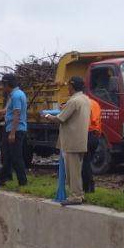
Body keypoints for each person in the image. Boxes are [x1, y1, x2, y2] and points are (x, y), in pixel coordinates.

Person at [41, 76, 89, 205]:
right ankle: (80, 194)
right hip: (80, 139)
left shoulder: (73, 101)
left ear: (72, 86)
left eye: (69, 86)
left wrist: (46, 115)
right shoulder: (85, 99)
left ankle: (75, 196)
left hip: (71, 141)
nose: (67, 88)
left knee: (72, 172)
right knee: (76, 171)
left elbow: (59, 119)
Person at [0, 74, 28, 188]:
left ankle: (22, 182)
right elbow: (7, 111)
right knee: (7, 155)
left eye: (4, 85)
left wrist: (12, 133)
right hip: (11, 129)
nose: (3, 88)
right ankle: (3, 178)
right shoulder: (14, 95)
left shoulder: (16, 96)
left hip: (15, 130)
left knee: (16, 157)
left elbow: (16, 114)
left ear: (8, 84)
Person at [82, 91, 103, 193]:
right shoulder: (95, 103)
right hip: (95, 136)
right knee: (87, 162)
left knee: (84, 163)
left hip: (86, 134)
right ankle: (90, 186)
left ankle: (87, 188)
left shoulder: (82, 104)